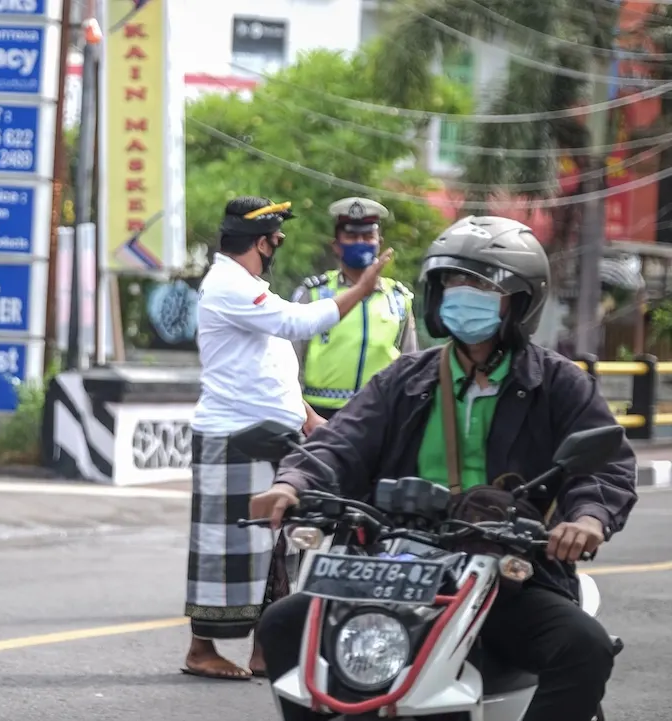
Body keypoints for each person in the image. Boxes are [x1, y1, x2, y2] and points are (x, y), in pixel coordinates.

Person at [250, 215, 638, 721]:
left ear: (519, 300)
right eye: (452, 282)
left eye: (478, 284)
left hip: (506, 572)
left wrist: (587, 518)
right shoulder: (405, 378)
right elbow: (343, 440)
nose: (462, 294)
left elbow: (604, 467)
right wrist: (293, 483)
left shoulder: (558, 383)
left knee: (584, 646)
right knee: (283, 624)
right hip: (397, 563)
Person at [184, 196, 393, 681]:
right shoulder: (229, 285)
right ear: (261, 242)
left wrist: (309, 419)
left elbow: (270, 369)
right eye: (275, 240)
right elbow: (298, 323)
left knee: (282, 548)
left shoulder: (251, 286)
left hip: (276, 435)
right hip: (233, 436)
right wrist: (360, 290)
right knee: (226, 548)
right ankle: (201, 649)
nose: (277, 247)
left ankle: (264, 651)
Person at [291, 197, 418, 420]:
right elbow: (291, 360)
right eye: (351, 236)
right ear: (336, 246)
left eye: (368, 236)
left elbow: (411, 365)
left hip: (380, 415)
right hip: (320, 416)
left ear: (379, 241)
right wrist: (300, 412)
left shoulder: (398, 298)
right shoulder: (313, 294)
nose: (361, 242)